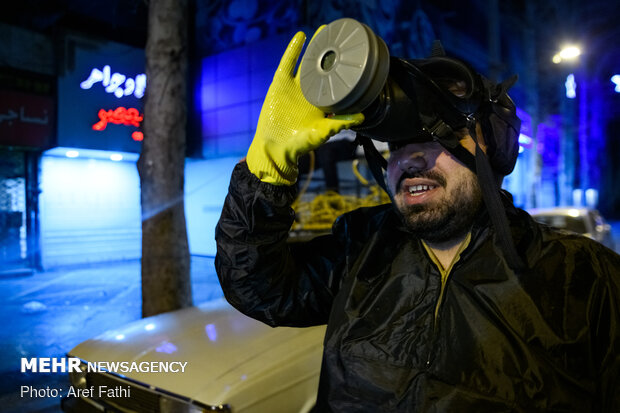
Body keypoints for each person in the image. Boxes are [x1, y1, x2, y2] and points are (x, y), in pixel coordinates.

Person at [215, 26, 620, 412]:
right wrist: (266, 174)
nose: (409, 158)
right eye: (398, 143)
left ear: (495, 144)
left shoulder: (584, 279)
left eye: (439, 134)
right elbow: (258, 287)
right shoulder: (362, 247)